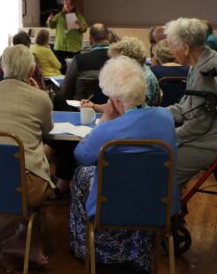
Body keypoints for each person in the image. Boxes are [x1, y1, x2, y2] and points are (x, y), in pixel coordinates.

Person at [70, 56, 179, 273]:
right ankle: (138, 250)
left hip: (114, 207)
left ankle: (90, 248)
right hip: (159, 206)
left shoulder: (109, 131)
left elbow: (81, 154)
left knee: (83, 173)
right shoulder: (166, 118)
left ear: (115, 99)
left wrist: (105, 119)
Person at [0, 45, 54, 267]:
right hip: (22, 187)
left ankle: (21, 236)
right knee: (45, 158)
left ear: (1, 67)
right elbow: (46, 130)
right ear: (32, 71)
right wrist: (39, 92)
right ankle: (27, 237)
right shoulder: (40, 98)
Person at [165, 18, 217, 185]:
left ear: (185, 47)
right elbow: (185, 106)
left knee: (164, 166)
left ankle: (166, 208)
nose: (171, 51)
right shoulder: (200, 63)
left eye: (171, 45)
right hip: (212, 134)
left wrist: (167, 135)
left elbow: (199, 124)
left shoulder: (206, 69)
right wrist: (155, 114)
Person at [60, 23, 110, 101]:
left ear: (90, 40)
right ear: (109, 37)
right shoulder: (120, 60)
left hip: (82, 109)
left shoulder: (78, 60)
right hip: (115, 111)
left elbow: (66, 91)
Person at [47, 0, 88, 66]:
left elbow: (84, 29)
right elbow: (51, 26)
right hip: (60, 46)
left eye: (70, 4)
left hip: (73, 46)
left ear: (73, 6)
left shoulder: (79, 16)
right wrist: (49, 20)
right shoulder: (59, 15)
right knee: (60, 67)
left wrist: (80, 25)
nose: (67, 6)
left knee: (72, 68)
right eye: (66, 4)